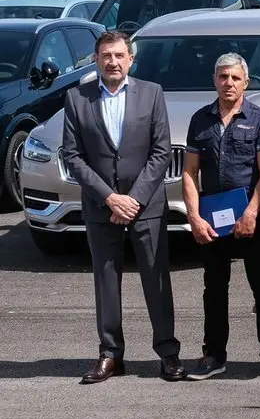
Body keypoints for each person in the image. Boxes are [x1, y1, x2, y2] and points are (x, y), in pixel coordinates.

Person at [61, 30, 184, 383]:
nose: (112, 62)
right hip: (102, 207)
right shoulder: (77, 98)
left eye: (118, 55)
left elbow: (162, 152)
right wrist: (109, 197)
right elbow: (72, 155)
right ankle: (111, 355)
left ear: (130, 59)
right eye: (105, 56)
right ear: (96, 60)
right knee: (106, 282)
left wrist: (134, 199)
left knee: (156, 281)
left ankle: (168, 354)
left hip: (145, 206)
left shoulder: (151, 94)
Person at [181, 53, 260, 380]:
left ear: (246, 82)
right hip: (214, 219)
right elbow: (189, 173)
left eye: (235, 78)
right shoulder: (200, 120)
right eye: (223, 77)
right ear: (215, 80)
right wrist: (195, 217)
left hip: (252, 218)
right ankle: (213, 355)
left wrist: (252, 212)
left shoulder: (259, 119)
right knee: (214, 288)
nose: (229, 83)